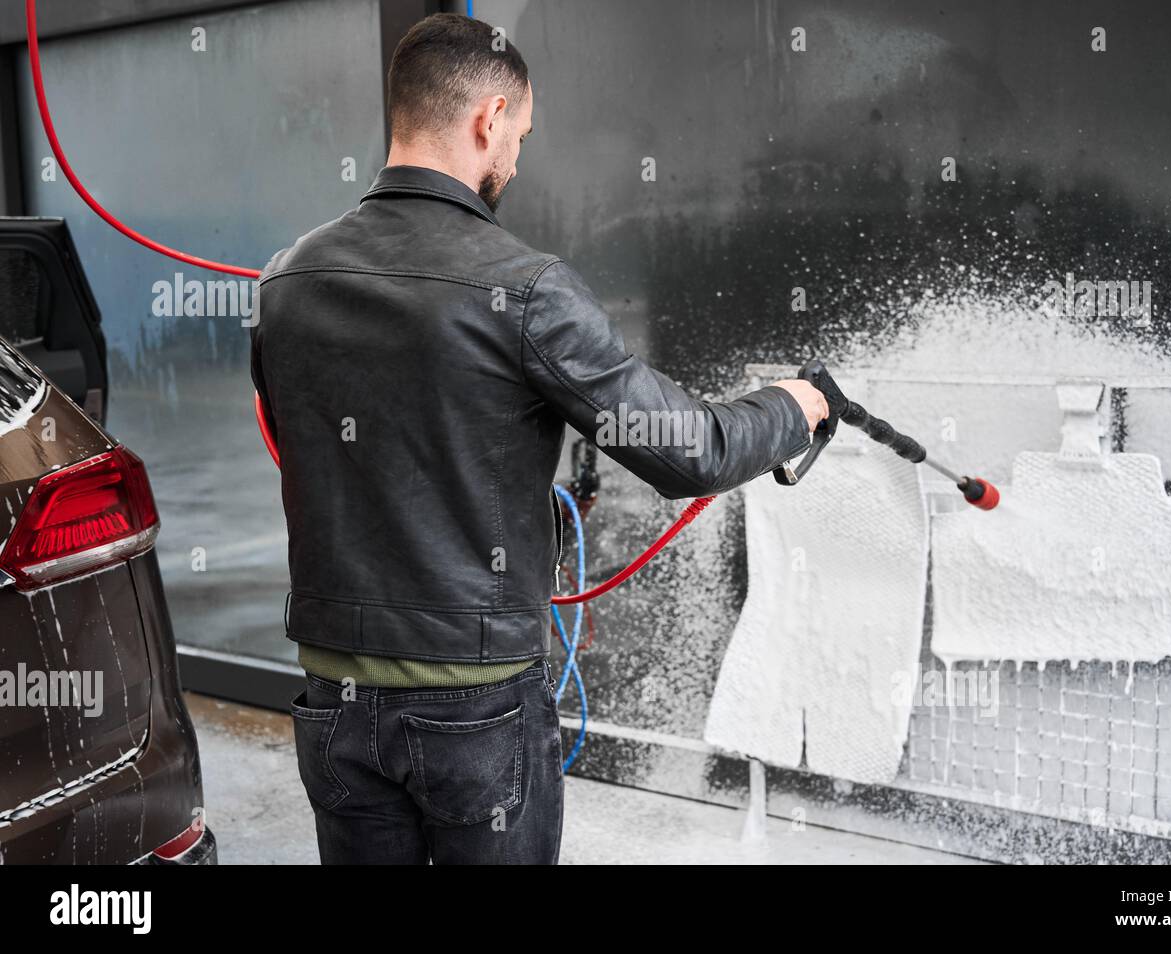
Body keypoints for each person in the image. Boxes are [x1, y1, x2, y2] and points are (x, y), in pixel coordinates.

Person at [250, 12, 828, 865]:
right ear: (487, 119)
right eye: (517, 133)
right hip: (473, 709)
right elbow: (689, 452)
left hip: (333, 703)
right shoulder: (525, 290)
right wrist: (793, 405)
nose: (516, 158)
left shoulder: (285, 281)